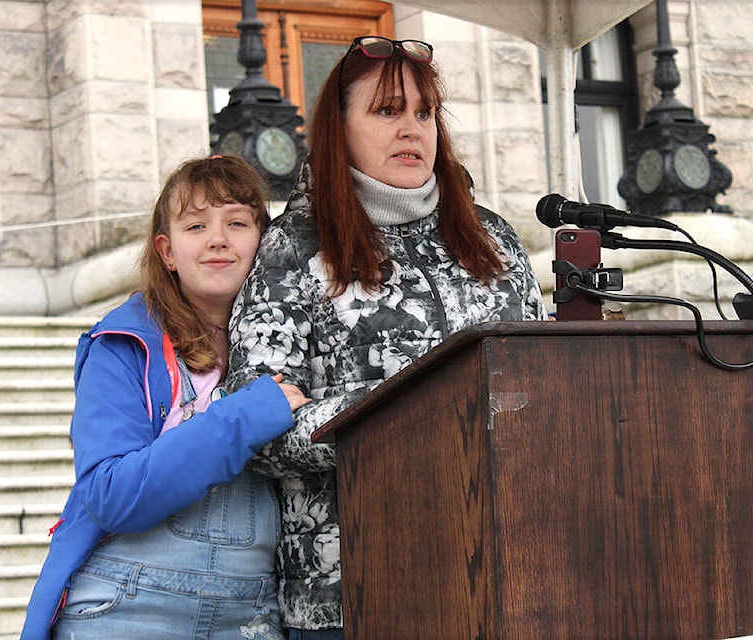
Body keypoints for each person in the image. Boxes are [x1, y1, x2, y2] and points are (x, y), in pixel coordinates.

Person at [226, 36, 546, 639]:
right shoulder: (295, 248)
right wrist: (414, 409)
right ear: (338, 128)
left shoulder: (493, 239)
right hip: (354, 595)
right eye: (387, 110)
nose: (412, 129)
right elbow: (254, 429)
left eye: (424, 113)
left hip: (503, 581)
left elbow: (535, 383)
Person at [20, 155, 310, 640]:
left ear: (265, 242)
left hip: (250, 613)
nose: (218, 238)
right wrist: (244, 417)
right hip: (129, 604)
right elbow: (110, 493)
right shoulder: (121, 345)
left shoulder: (293, 343)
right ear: (167, 250)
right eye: (196, 225)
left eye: (238, 222)